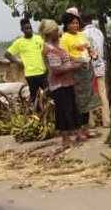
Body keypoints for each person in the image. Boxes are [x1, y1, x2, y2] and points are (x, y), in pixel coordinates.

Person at [39, 19, 82, 149]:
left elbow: (65, 61)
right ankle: (65, 140)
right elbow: (57, 69)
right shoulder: (49, 49)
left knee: (69, 110)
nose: (58, 32)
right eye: (55, 30)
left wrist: (77, 62)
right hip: (59, 85)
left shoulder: (56, 46)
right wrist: (75, 67)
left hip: (66, 83)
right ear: (49, 33)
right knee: (63, 112)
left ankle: (69, 138)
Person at [60, 8, 101, 140]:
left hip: (87, 70)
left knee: (89, 102)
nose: (75, 25)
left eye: (77, 23)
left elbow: (88, 49)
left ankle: (86, 129)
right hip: (76, 72)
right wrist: (76, 61)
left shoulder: (81, 35)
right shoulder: (65, 38)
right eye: (72, 23)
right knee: (79, 103)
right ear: (66, 25)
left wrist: (93, 55)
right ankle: (79, 132)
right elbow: (64, 57)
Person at [5, 18, 47, 103]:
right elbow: (7, 54)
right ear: (22, 30)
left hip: (42, 72)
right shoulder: (19, 42)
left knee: (49, 92)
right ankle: (34, 113)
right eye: (26, 29)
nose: (29, 30)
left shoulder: (39, 39)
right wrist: (18, 62)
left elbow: (45, 51)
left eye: (30, 28)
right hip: (30, 74)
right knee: (34, 97)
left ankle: (48, 111)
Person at [81, 11, 110, 128]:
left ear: (82, 20)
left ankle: (90, 122)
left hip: (88, 68)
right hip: (100, 66)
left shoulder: (82, 34)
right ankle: (106, 121)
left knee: (89, 95)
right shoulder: (99, 32)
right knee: (103, 93)